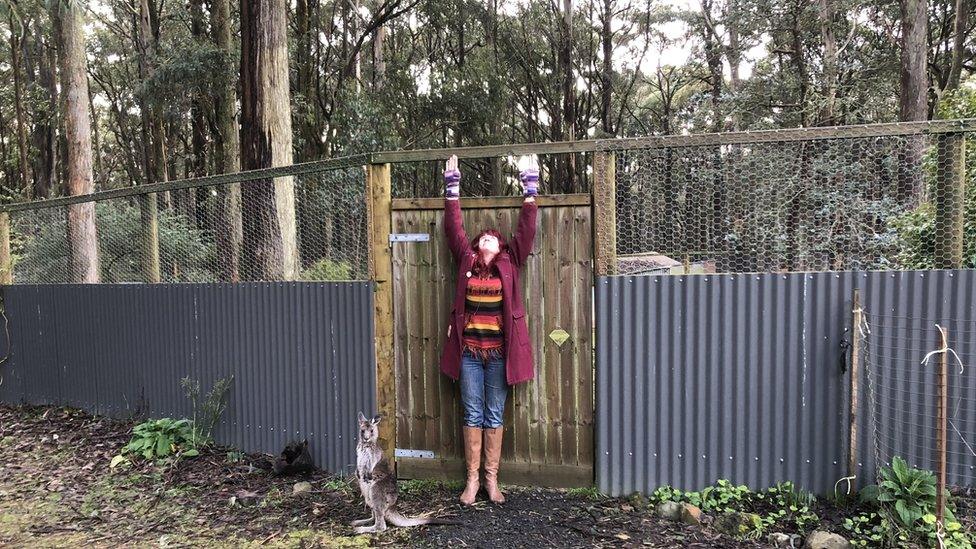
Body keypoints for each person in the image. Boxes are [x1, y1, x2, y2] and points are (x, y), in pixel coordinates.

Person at [439, 154, 539, 506]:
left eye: (493, 239)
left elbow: (526, 232)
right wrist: (452, 188)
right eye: (483, 238)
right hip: (468, 353)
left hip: (499, 355)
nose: (487, 241)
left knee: (494, 413)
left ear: (500, 248)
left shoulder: (510, 262)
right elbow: (453, 229)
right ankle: (471, 482)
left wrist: (530, 189)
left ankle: (491, 481)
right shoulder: (466, 260)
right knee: (472, 413)